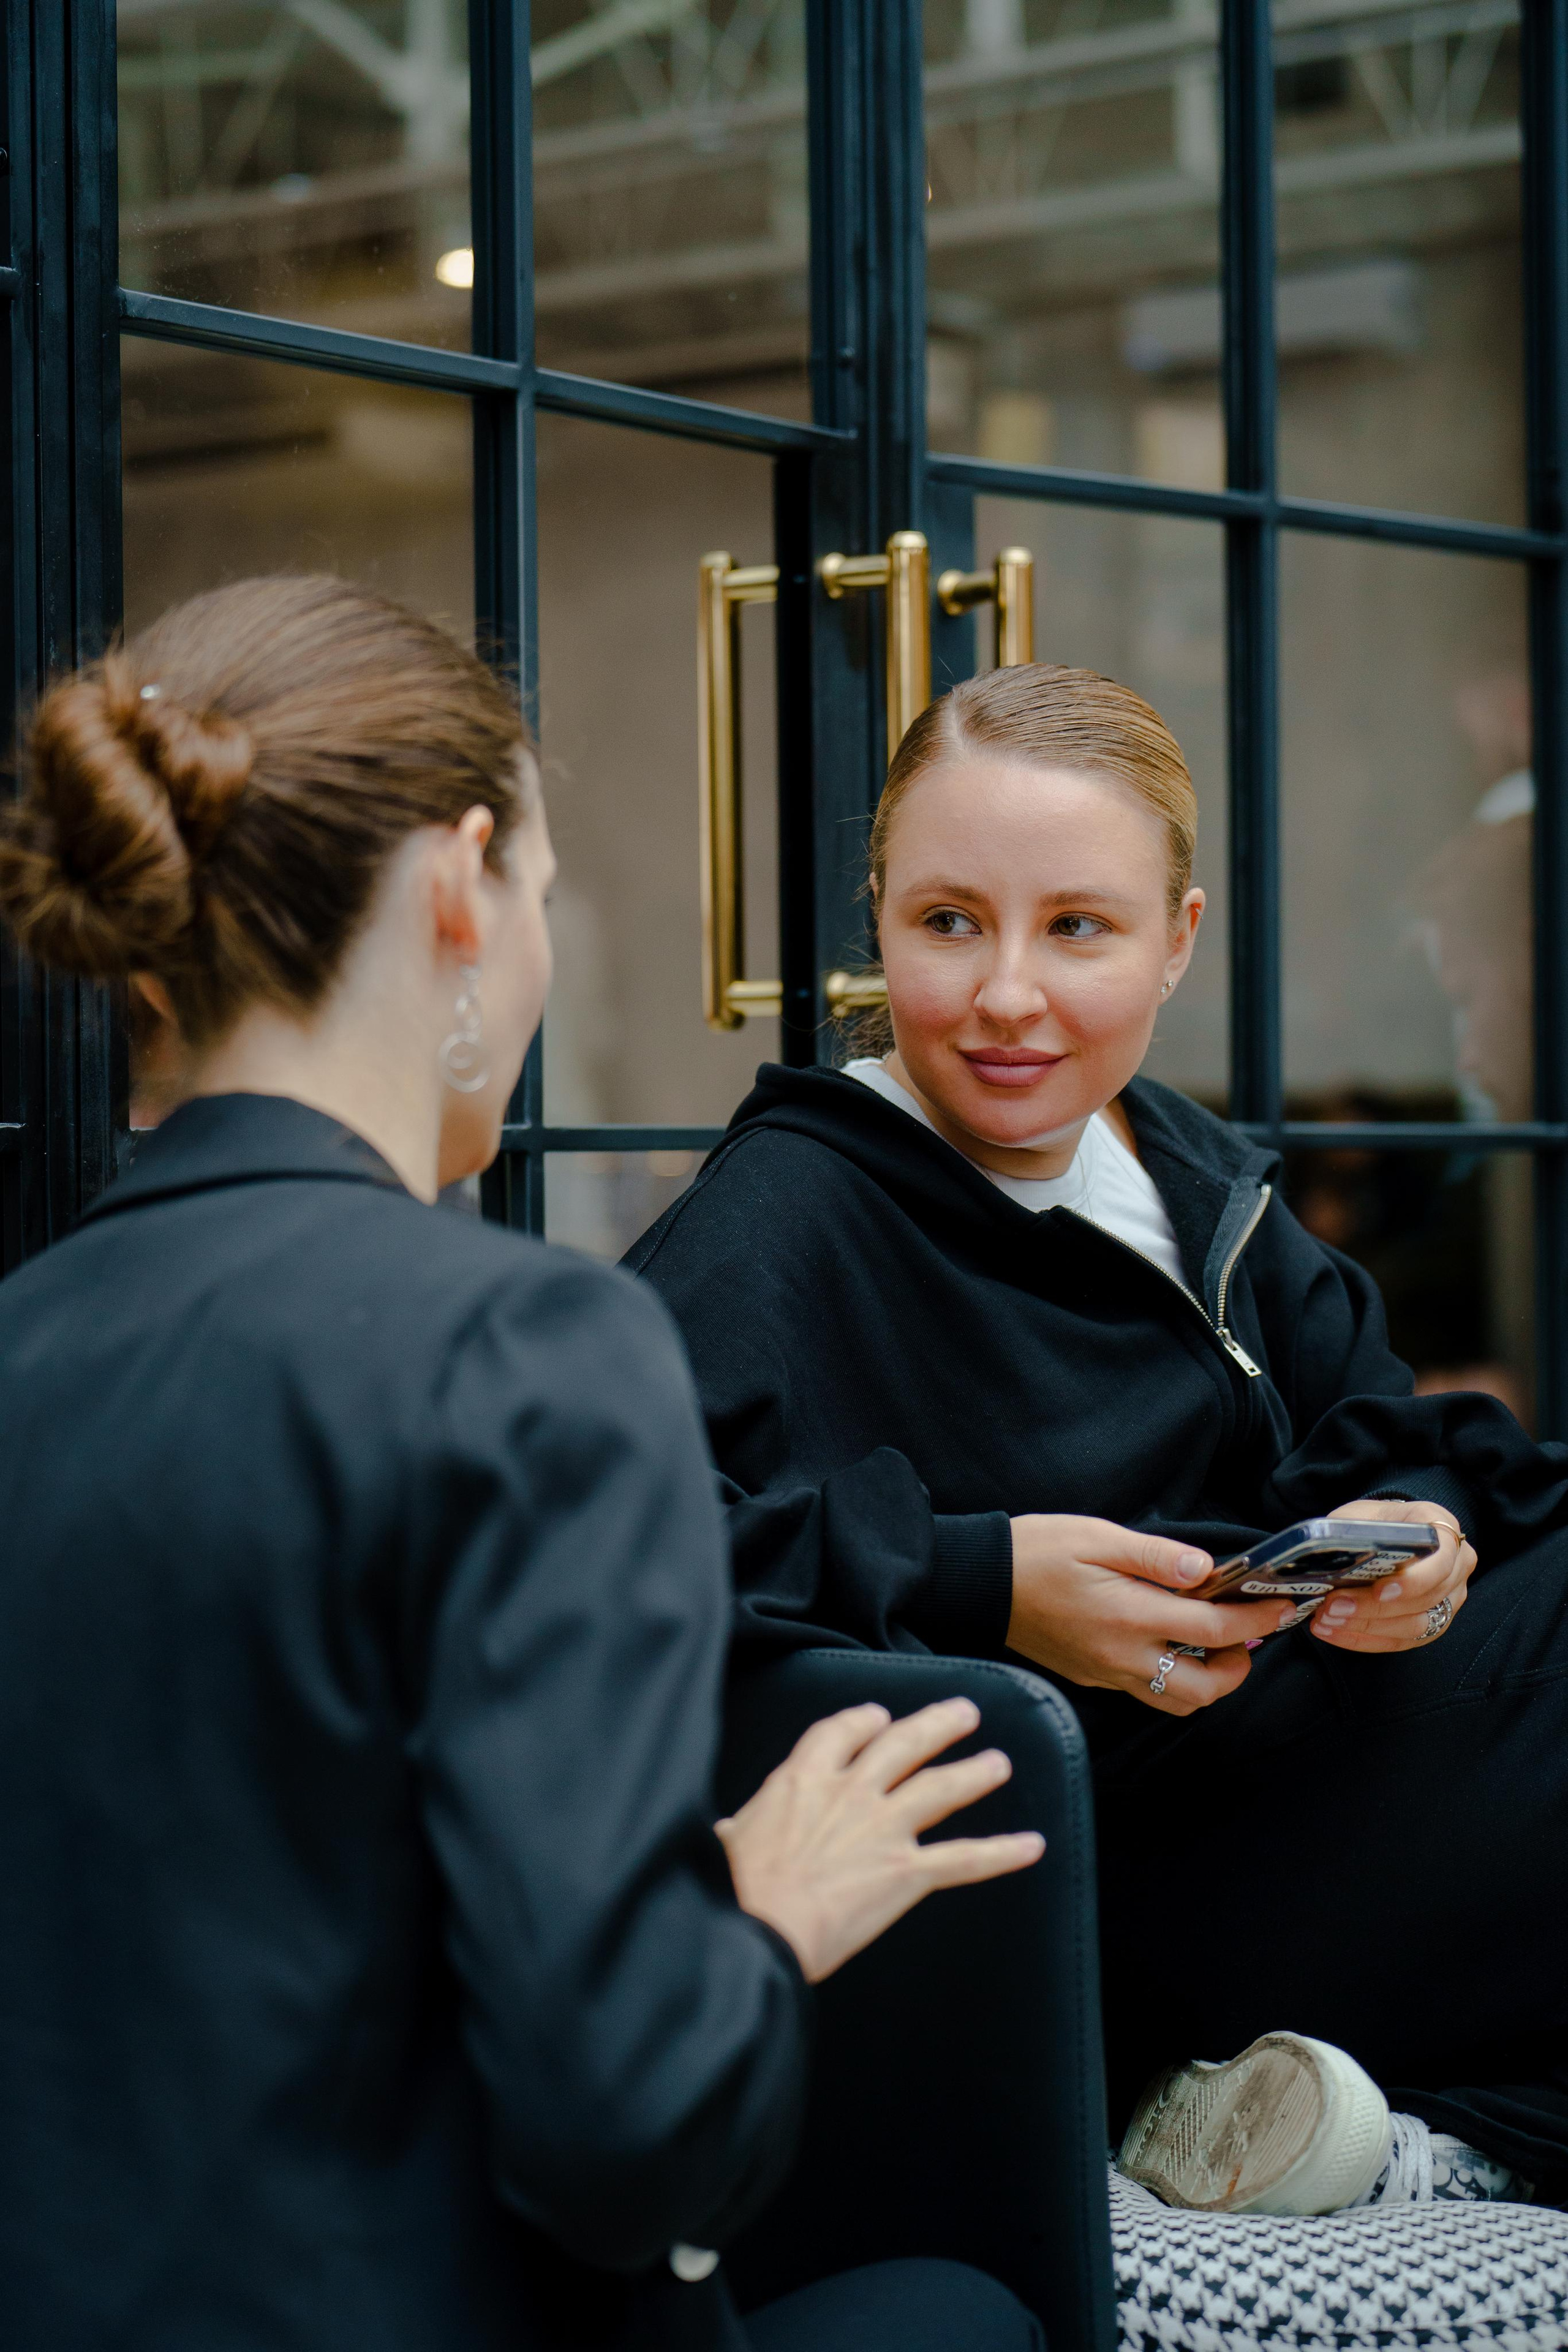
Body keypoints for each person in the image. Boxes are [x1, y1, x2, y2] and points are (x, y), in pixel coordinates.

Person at [0, 576, 1047, 2352]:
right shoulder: (528, 1355)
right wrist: (760, 1922)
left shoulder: (27, 1338)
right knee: (969, 2315)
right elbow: (633, 2144)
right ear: (459, 886)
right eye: (543, 895)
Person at [626, 665, 1568, 2335]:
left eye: (1078, 929)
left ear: (1179, 939)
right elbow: (614, 1548)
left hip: (1317, 1763)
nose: (1009, 997)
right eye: (948, 922)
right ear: (876, 921)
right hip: (1110, 1877)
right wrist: (985, 1582)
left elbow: (1376, 1418)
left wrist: (1422, 1538)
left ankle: (1432, 2146)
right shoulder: (788, 1215)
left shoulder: (1179, 1169)